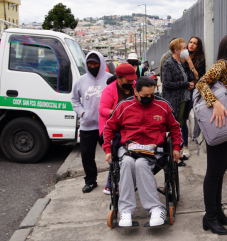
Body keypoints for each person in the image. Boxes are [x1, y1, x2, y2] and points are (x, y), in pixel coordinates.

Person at [103, 76, 182, 227]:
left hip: (154, 150)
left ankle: (156, 208)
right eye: (145, 96)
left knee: (140, 163)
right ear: (136, 92)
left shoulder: (163, 106)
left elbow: (175, 128)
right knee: (126, 162)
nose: (149, 98)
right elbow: (109, 128)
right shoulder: (124, 106)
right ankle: (126, 211)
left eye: (152, 95)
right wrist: (107, 149)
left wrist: (177, 147)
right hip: (129, 148)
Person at [195, 34, 227, 235]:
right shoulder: (221, 65)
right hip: (218, 125)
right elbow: (201, 83)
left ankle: (218, 212)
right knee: (214, 174)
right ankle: (210, 217)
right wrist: (214, 103)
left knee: (220, 172)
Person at [71, 51, 112, 193]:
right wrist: (83, 112)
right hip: (87, 126)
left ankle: (113, 180)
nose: (93, 66)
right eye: (90, 63)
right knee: (87, 155)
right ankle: (90, 181)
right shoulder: (81, 81)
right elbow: (74, 100)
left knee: (112, 154)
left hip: (106, 126)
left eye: (95, 63)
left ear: (101, 63)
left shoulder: (110, 79)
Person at [99, 63, 137, 194]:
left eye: (132, 80)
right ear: (119, 79)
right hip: (113, 127)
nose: (131, 82)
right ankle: (111, 182)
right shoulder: (109, 90)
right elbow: (102, 110)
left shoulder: (136, 86)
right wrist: (116, 112)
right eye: (128, 80)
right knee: (116, 151)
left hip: (132, 126)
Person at [162, 38, 195, 166]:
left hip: (184, 99)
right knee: (175, 128)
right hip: (175, 100)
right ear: (176, 50)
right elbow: (167, 83)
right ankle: (174, 156)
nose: (186, 50)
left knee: (180, 126)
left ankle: (178, 153)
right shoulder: (169, 64)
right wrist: (186, 84)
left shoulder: (181, 63)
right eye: (184, 48)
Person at [180, 36, 207, 158]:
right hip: (180, 89)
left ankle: (185, 145)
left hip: (191, 91)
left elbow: (197, 76)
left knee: (185, 117)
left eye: (195, 43)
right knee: (178, 119)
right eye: (190, 42)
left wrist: (189, 61)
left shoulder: (199, 58)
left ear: (198, 46)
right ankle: (180, 144)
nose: (191, 45)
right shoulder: (181, 56)